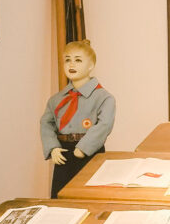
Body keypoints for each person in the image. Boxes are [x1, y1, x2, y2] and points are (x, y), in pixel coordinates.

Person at [39, 40, 116, 198]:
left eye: (78, 60)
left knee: (89, 198)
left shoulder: (103, 97)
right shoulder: (56, 99)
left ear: (91, 66)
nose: (71, 64)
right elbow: (46, 123)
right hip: (63, 153)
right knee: (61, 199)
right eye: (67, 59)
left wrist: (84, 147)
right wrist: (52, 147)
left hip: (90, 153)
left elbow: (104, 125)